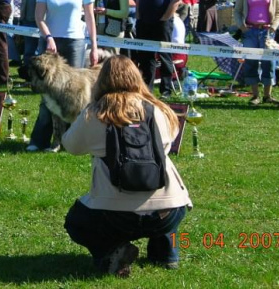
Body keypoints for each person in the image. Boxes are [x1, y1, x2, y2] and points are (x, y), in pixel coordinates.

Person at [63, 55, 192, 277]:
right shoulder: (159, 109)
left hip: (116, 215)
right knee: (164, 200)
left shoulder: (95, 113)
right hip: (168, 212)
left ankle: (113, 250)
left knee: (76, 222)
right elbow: (170, 141)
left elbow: (71, 145)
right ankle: (166, 253)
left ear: (100, 80)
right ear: (138, 77)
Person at [27, 0, 98, 152]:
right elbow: (38, 16)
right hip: (50, 44)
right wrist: (48, 36)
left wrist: (94, 46)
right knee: (48, 96)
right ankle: (41, 140)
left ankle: (72, 141)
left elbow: (91, 19)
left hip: (75, 42)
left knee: (74, 97)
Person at [134, 0, 182, 97]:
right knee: (145, 57)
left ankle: (166, 90)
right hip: (144, 23)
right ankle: (147, 89)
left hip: (162, 23)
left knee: (164, 55)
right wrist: (138, 16)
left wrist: (164, 18)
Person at [233, 0, 279, 105]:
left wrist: (273, 27)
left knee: (269, 62)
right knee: (251, 62)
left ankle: (268, 95)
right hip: (250, 31)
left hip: (267, 31)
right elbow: (237, 11)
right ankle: (255, 95)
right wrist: (242, 27)